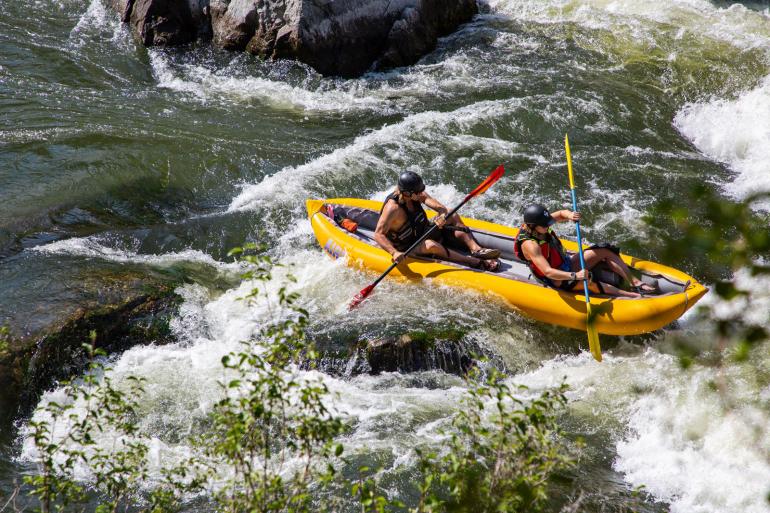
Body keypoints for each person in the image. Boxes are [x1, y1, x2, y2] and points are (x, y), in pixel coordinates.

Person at [513, 204, 657, 297]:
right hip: (556, 279)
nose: (548, 226)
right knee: (590, 282)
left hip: (565, 263)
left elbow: (561, 213)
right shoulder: (531, 245)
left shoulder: (540, 224)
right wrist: (575, 275)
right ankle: (634, 296)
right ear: (532, 226)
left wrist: (570, 215)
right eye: (544, 225)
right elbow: (548, 272)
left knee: (604, 250)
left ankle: (635, 283)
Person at [374, 171, 502, 271]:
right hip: (408, 246)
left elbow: (441, 208)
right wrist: (394, 252)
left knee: (452, 213)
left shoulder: (416, 194)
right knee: (430, 245)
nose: (422, 193)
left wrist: (442, 214)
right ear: (407, 193)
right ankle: (473, 261)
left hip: (422, 231)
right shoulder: (393, 208)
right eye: (418, 192)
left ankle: (476, 249)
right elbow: (378, 234)